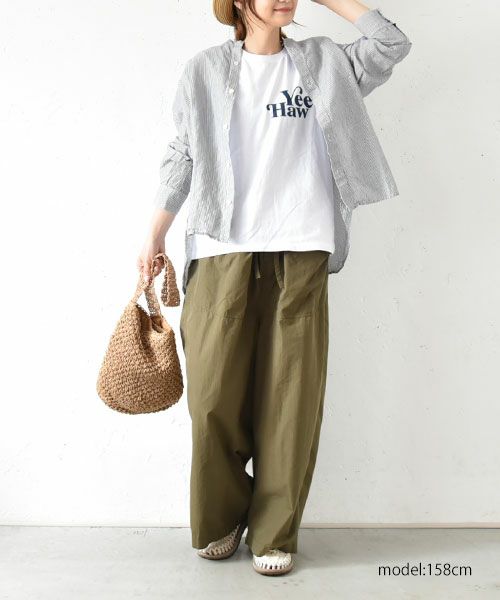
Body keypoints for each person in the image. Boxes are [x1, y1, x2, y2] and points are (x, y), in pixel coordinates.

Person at [137, 0, 412, 576]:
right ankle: (219, 519)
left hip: (302, 246)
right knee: (214, 398)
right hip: (221, 249)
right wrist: (155, 232)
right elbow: (183, 152)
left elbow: (390, 43)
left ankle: (273, 532)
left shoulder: (327, 62)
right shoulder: (204, 69)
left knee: (292, 400)